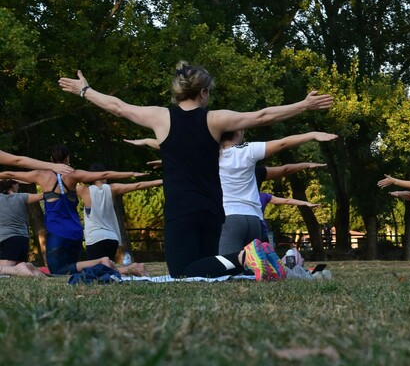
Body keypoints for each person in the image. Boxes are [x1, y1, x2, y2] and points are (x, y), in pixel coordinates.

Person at [59, 63, 333, 277]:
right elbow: (262, 116)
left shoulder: (160, 117)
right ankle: (252, 258)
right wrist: (303, 105)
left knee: (182, 272)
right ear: (203, 92)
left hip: (182, 209)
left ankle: (245, 257)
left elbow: (118, 107)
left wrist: (86, 91)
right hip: (213, 209)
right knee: (208, 269)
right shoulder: (215, 119)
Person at [0, 146, 148, 276]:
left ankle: (101, 262)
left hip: (57, 232)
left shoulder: (41, 175)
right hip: (76, 231)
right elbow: (103, 175)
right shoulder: (74, 174)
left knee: (58, 271)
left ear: (51, 159)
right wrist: (132, 173)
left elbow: (10, 174)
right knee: (72, 270)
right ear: (68, 158)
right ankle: (129, 268)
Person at [77, 164, 161, 270]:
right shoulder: (113, 188)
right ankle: (134, 268)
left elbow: (69, 180)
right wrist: (161, 181)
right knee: (108, 270)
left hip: (94, 238)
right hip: (112, 237)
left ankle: (133, 268)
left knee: (97, 272)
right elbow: (138, 185)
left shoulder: (83, 190)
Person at [0, 179, 48, 277]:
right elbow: (45, 195)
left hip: (7, 239)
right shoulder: (22, 197)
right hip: (23, 240)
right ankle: (34, 270)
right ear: (12, 185)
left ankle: (26, 268)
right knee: (18, 273)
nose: (19, 186)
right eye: (17, 184)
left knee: (5, 273)